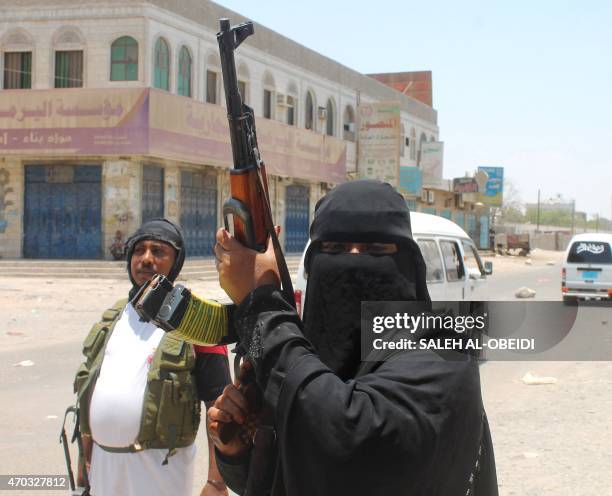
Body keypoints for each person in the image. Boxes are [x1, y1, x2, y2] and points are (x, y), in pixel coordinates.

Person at [208, 180, 498, 496]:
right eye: (334, 249)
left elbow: (348, 439)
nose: (353, 260)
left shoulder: (445, 357)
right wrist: (237, 450)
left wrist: (261, 303)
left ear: (409, 265)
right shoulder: (304, 362)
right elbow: (283, 477)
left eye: (375, 249)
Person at [74, 218, 231, 496]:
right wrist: (83, 466)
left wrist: (217, 482)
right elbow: (89, 392)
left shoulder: (196, 322)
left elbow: (219, 407)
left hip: (160, 470)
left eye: (158, 251)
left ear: (176, 262)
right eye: (139, 250)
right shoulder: (112, 320)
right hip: (104, 467)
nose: (146, 259)